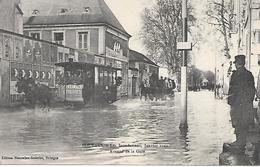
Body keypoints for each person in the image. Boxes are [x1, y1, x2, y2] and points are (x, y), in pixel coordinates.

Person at [227, 55, 256, 150]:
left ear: (237, 63)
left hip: (238, 103)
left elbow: (233, 90)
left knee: (238, 122)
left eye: (235, 63)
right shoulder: (249, 74)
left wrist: (232, 101)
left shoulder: (237, 74)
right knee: (242, 122)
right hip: (244, 103)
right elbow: (252, 90)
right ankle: (240, 142)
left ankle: (239, 143)